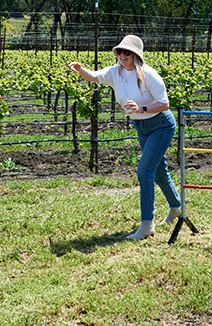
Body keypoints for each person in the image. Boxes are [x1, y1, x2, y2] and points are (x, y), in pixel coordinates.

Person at [68, 35, 182, 240]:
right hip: (141, 125)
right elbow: (94, 76)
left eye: (126, 52)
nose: (121, 55)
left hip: (161, 125)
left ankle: (147, 224)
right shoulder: (115, 72)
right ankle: (177, 207)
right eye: (119, 52)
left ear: (135, 54)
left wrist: (141, 108)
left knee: (145, 171)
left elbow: (164, 104)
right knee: (158, 170)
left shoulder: (149, 75)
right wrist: (80, 70)